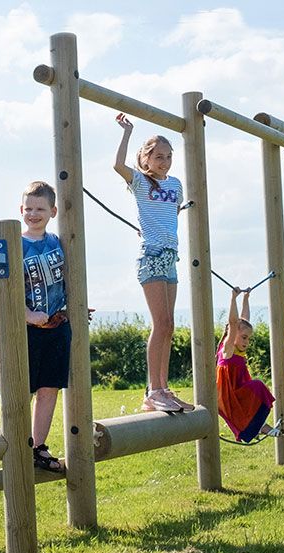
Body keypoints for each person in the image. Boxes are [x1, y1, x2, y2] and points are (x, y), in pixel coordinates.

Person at [112, 113, 193, 414]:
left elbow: (171, 217)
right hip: (152, 257)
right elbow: (118, 166)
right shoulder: (141, 182)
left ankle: (163, 388)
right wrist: (127, 133)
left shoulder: (175, 184)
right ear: (145, 160)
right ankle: (153, 390)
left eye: (169, 157)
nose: (165, 162)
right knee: (161, 324)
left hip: (171, 257)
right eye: (158, 157)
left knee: (169, 326)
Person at [18, 181, 69, 474]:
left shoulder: (58, 242)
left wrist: (73, 308)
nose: (34, 214)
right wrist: (26, 313)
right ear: (21, 210)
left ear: (53, 211)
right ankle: (15, 441)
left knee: (50, 387)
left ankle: (38, 445)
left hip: (56, 324)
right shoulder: (16, 242)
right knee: (24, 387)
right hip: (26, 327)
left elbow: (64, 280)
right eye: (29, 208)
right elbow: (7, 287)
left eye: (40, 208)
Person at [216, 288, 277, 442]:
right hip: (230, 393)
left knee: (258, 390)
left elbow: (244, 319)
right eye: (244, 337)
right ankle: (259, 428)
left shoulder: (238, 349)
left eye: (248, 339)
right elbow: (234, 321)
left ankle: (257, 427)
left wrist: (246, 298)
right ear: (233, 333)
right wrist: (233, 298)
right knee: (258, 386)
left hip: (240, 389)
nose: (246, 342)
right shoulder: (228, 349)